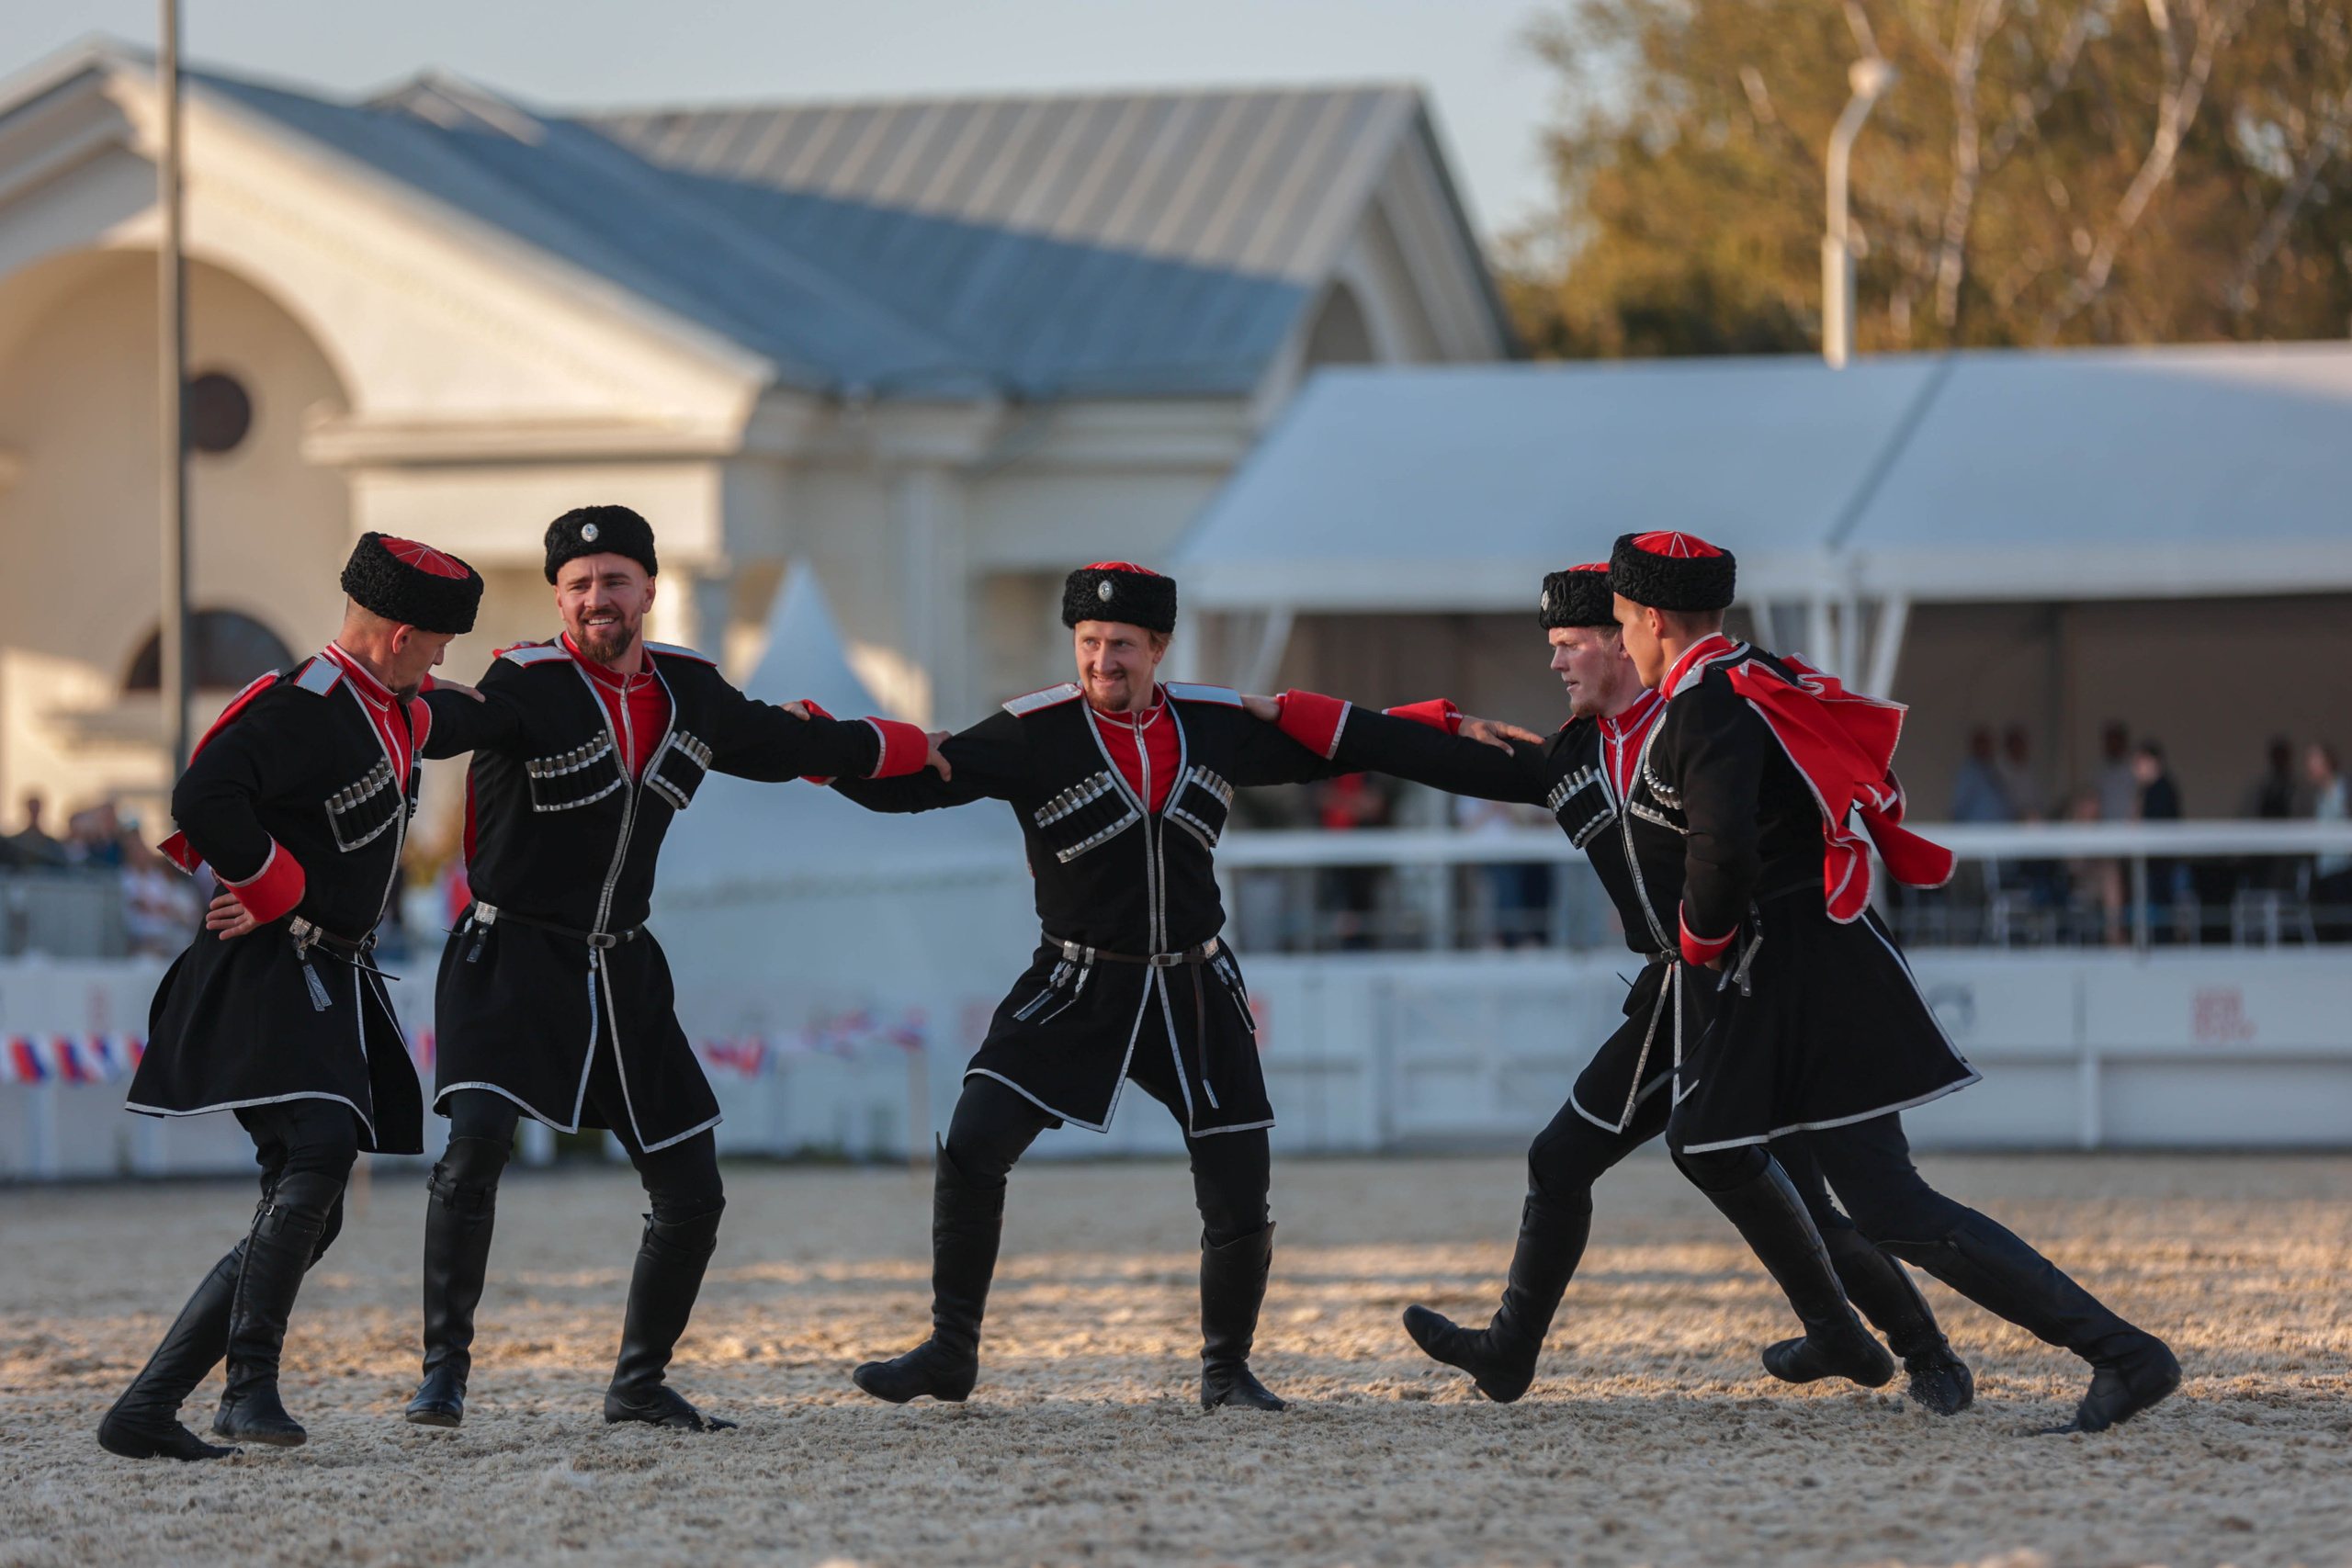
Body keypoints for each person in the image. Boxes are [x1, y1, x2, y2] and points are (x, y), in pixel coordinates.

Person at [1249, 561, 1972, 1414]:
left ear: (1623, 643)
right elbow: (1427, 752)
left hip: (1750, 987)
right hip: (1674, 994)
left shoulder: (1702, 725)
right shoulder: (1571, 758)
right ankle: (1514, 1350)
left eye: (1568, 645)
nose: (1555, 663)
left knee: (1800, 1184)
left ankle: (1914, 1350)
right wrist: (1288, 712)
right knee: (1565, 1159)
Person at [1611, 530, 2177, 1436]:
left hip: (1797, 974)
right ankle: (1857, 1326)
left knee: (1827, 1183)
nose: (1621, 646)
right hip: (1805, 965)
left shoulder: (1707, 707)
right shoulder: (1749, 677)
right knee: (1776, 1161)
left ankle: (2103, 1350)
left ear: (1651, 620)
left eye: (1621, 625)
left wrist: (1693, 940)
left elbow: (1721, 858)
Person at [406, 505, 945, 1433]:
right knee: (474, 1150)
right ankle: (443, 1375)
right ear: (557, 598)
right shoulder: (524, 682)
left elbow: (794, 745)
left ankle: (639, 1384)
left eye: (614, 580)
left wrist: (920, 751)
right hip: (510, 955)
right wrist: (391, 704)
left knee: (692, 1188)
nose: (595, 598)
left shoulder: (690, 691)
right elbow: (453, 720)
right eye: (577, 585)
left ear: (649, 589)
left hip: (621, 963)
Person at [831, 562, 1344, 1412]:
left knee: (1237, 1177)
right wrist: (818, 752)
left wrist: (1441, 730)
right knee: (974, 1137)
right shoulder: (1034, 731)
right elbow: (924, 782)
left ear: (1160, 648)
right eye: (1090, 642)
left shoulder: (1212, 724)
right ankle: (950, 1350)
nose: (1104, 659)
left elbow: (1348, 747)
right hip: (1075, 982)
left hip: (1194, 985)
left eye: (1123, 645)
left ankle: (1226, 1370)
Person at [98, 533, 481, 1460]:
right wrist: (275, 887)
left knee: (311, 1194)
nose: (441, 662)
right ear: (398, 635)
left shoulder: (387, 706)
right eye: (434, 644)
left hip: (325, 973)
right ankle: (246, 1390)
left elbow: (470, 719)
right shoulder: (305, 706)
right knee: (317, 1153)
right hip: (269, 967)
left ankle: (149, 1409)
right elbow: (202, 797)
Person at [2306, 743, 2349, 942]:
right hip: (2323, 869)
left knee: (2344, 923)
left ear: (2327, 763)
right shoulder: (2315, 797)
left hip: (2344, 868)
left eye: (2314, 763)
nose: (2310, 769)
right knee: (2325, 925)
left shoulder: (2345, 791)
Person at [1951, 727, 2012, 824]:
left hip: (1997, 831)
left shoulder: (1993, 769)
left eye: (1989, 743)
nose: (1988, 747)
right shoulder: (1969, 772)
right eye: (1983, 743)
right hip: (1976, 832)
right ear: (1975, 745)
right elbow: (1958, 807)